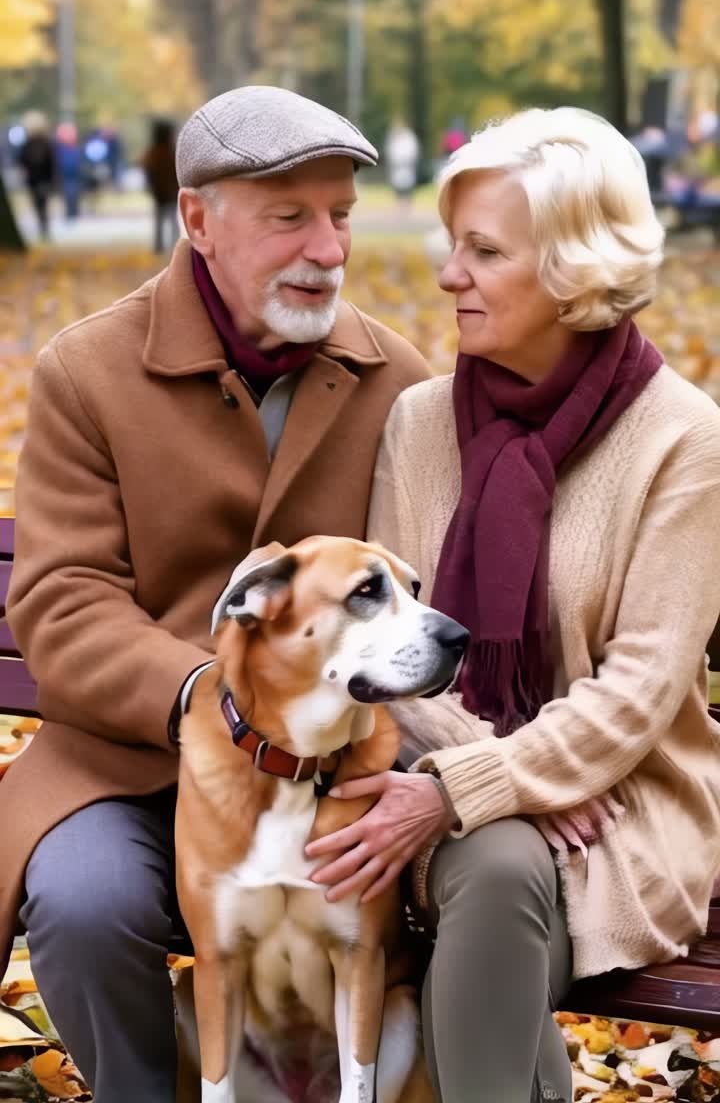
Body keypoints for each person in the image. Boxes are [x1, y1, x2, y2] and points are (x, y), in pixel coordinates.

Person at [1, 84, 430, 1103]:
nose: (328, 248)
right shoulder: (88, 370)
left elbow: (426, 591)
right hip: (133, 763)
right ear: (198, 218)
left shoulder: (397, 379)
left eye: (340, 216)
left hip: (332, 772)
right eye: (291, 217)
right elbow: (62, 600)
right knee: (86, 896)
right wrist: (212, 693)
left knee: (436, 889)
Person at [305, 106, 720, 1103]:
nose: (448, 275)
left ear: (577, 266)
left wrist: (474, 786)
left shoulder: (683, 441)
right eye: (455, 246)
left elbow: (638, 694)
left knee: (494, 872)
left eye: (484, 251)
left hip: (623, 809)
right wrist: (497, 778)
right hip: (429, 783)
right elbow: (389, 649)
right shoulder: (420, 421)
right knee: (493, 861)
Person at [141, 117, 180, 254]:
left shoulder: (153, 153)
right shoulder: (172, 152)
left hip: (160, 192)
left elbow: (147, 171)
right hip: (169, 191)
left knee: (161, 219)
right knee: (170, 219)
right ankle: (173, 246)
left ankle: (160, 246)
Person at [17, 111, 55, 239]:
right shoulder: (47, 143)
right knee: (42, 205)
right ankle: (44, 229)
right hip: (43, 180)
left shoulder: (27, 144)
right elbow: (52, 164)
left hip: (34, 180)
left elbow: (21, 161)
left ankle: (43, 229)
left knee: (39, 205)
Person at [384, 118, 420, 202]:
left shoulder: (409, 137)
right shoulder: (393, 137)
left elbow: (412, 151)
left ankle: (407, 203)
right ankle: (399, 203)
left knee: (408, 186)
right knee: (398, 187)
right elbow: (391, 151)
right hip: (397, 167)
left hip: (407, 166)